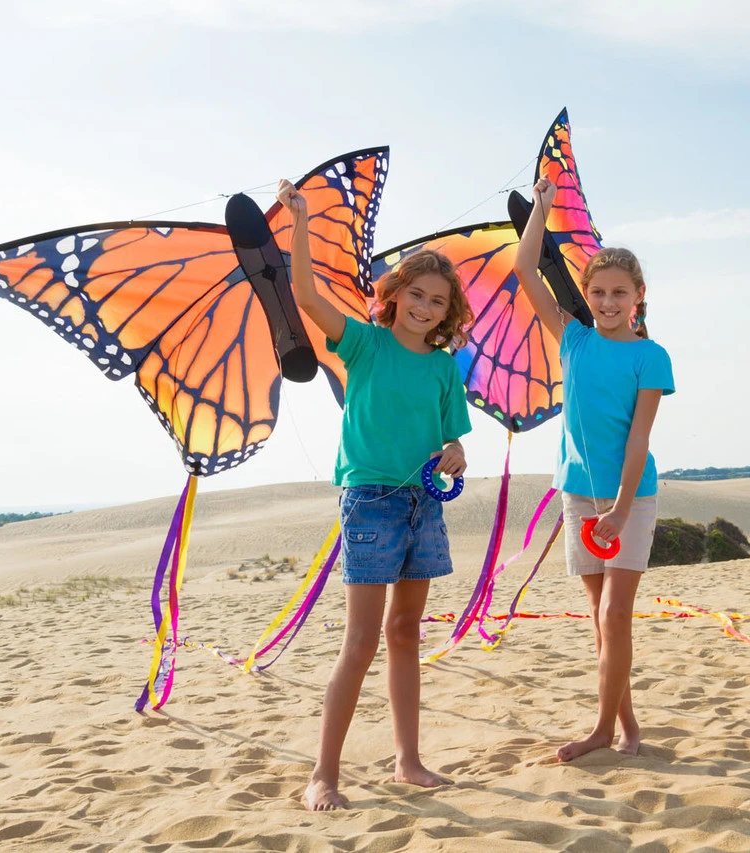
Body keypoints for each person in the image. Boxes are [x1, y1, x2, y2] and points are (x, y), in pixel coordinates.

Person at [277, 180, 475, 809]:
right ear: (393, 296)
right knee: (361, 640)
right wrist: (303, 221)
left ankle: (408, 761)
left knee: (407, 631)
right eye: (415, 294)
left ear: (448, 312)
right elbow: (305, 294)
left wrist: (455, 453)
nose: (424, 307)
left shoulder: (444, 368)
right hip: (370, 501)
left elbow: (455, 440)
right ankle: (323, 775)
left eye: (437, 301)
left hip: (424, 504)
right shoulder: (363, 342)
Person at [515, 177, 674, 761]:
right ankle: (624, 725)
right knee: (600, 621)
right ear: (588, 295)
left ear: (638, 296)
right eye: (599, 292)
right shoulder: (574, 338)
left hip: (630, 500)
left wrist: (622, 508)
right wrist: (541, 210)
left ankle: (602, 731)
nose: (608, 302)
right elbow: (526, 269)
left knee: (616, 611)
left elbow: (639, 438)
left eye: (619, 293)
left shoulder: (650, 357)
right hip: (579, 496)